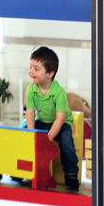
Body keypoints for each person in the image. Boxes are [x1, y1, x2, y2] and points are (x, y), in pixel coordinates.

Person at [25, 46, 79, 192]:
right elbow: (30, 113)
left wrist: (49, 137)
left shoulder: (58, 92)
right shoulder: (31, 89)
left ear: (49, 73)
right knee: (23, 133)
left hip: (60, 124)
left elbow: (60, 119)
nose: (31, 71)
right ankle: (24, 167)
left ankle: (71, 173)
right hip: (42, 121)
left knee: (66, 140)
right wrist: (32, 135)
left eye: (36, 69)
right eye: (30, 67)